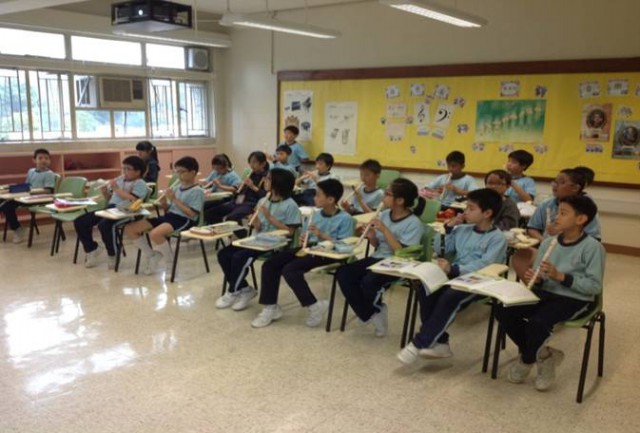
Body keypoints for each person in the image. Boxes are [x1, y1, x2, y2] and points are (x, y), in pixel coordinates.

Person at [497, 195, 605, 391]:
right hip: (547, 292)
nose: (556, 217)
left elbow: (594, 286)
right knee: (504, 310)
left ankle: (528, 359)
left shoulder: (593, 248)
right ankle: (544, 355)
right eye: (557, 212)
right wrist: (537, 278)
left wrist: (562, 277)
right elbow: (541, 274)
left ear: (581, 219)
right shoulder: (549, 243)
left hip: (575, 298)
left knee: (538, 322)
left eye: (563, 213)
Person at [397, 188, 507, 364]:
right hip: (455, 276)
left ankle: (418, 344)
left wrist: (455, 269)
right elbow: (441, 250)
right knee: (426, 288)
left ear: (487, 213)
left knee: (450, 296)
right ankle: (441, 343)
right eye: (466, 207)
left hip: (480, 281)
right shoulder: (462, 230)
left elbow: (486, 265)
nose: (465, 212)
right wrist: (447, 230)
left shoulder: (497, 238)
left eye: (471, 208)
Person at [252, 179, 355, 328]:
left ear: (331, 199)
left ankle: (313, 306)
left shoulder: (345, 219)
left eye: (318, 195)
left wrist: (321, 235)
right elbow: (306, 236)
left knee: (290, 270)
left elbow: (345, 246)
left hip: (329, 253)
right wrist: (304, 238)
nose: (314, 198)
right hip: (310, 248)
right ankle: (270, 307)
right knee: (270, 264)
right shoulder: (315, 214)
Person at [336, 178, 425, 338]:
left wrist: (384, 230)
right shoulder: (383, 215)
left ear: (400, 200)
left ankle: (371, 311)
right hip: (378, 258)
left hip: (397, 264)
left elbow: (402, 253)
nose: (383, 197)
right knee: (344, 273)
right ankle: (371, 313)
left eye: (387, 194)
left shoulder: (414, 223)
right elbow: (378, 245)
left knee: (369, 282)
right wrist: (371, 236)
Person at [215, 168, 301, 312]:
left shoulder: (290, 205)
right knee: (224, 254)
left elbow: (290, 232)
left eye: (269, 179)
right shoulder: (263, 200)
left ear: (279, 183)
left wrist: (269, 217)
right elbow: (259, 227)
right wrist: (254, 220)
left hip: (274, 244)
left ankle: (233, 291)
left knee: (239, 257)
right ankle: (245, 289)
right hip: (257, 239)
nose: (264, 181)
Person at [511, 168, 601, 281]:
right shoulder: (547, 204)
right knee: (521, 256)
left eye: (561, 182)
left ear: (575, 188)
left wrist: (563, 232)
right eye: (555, 181)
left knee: (560, 267)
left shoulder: (585, 207)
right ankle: (537, 287)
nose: (555, 185)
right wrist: (544, 241)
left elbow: (594, 238)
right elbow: (532, 227)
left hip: (572, 253)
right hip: (548, 248)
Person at [125, 157, 204, 275]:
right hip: (170, 216)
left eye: (182, 172)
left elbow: (192, 213)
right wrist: (164, 204)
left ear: (193, 173)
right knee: (130, 229)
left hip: (185, 220)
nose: (178, 175)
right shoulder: (177, 188)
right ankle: (152, 256)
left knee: (155, 234)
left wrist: (174, 199)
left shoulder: (197, 191)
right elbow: (170, 208)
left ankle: (171, 264)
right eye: (177, 172)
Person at [74, 156, 149, 269]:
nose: (124, 171)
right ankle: (92, 249)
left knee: (104, 225)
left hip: (128, 212)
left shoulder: (140, 184)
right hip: (111, 208)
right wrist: (105, 192)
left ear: (138, 171)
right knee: (80, 221)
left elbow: (133, 200)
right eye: (123, 168)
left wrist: (117, 189)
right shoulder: (120, 181)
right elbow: (111, 199)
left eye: (128, 169)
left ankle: (113, 254)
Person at [0, 148, 58, 244]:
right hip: (28, 197)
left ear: (49, 160)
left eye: (46, 158)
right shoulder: (31, 171)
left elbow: (48, 190)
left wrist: (31, 192)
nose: (44, 160)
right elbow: (27, 185)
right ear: (34, 160)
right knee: (2, 202)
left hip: (41, 199)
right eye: (40, 158)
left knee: (7, 206)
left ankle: (17, 229)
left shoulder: (49, 174)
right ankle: (16, 227)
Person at [204, 151, 269, 225]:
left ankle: (240, 231)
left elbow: (266, 195)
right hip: (238, 201)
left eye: (254, 162)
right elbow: (239, 190)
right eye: (250, 162)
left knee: (231, 218)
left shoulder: (267, 177)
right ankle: (219, 231)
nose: (251, 165)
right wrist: (240, 187)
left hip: (250, 204)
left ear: (263, 164)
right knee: (209, 213)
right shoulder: (251, 174)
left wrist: (252, 186)